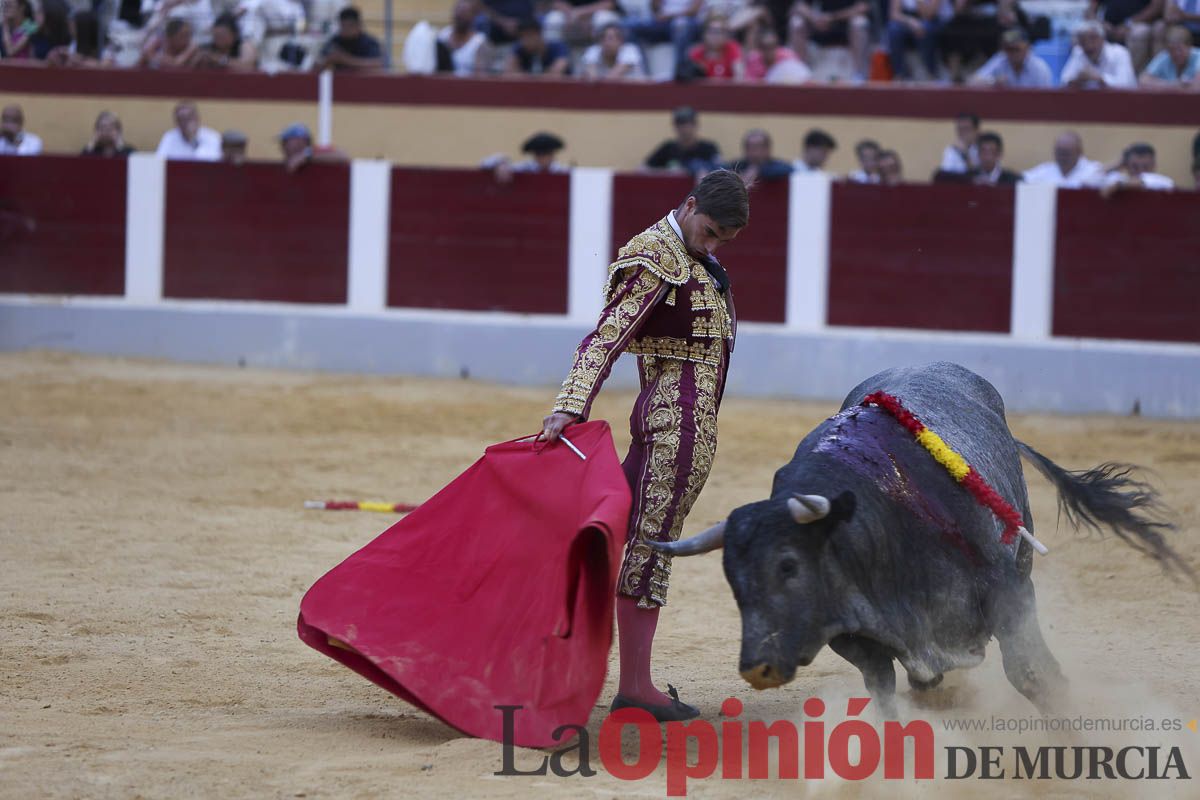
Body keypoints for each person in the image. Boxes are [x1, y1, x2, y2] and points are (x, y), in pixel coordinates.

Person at [540, 169, 749, 722]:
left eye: (722, 240)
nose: (712, 245)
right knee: (650, 545)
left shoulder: (690, 258)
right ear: (688, 205)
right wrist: (571, 402)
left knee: (619, 535)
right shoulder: (658, 257)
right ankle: (634, 685)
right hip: (674, 426)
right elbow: (607, 336)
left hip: (671, 421)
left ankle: (580, 665)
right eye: (708, 232)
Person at [789, 0, 872, 80]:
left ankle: (858, 75)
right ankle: (801, 74)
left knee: (859, 22)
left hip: (845, 26)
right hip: (819, 26)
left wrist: (833, 17)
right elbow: (799, 6)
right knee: (797, 22)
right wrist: (814, 18)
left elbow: (863, 7)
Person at [624, 0, 704, 76]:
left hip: (688, 24)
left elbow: (694, 10)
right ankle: (643, 72)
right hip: (664, 24)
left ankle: (681, 71)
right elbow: (655, 9)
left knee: (680, 24)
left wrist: (669, 16)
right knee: (630, 25)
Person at [644, 106, 722, 176]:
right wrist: (668, 172)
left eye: (688, 124)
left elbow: (721, 171)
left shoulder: (708, 148)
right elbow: (643, 169)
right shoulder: (667, 149)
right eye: (680, 124)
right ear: (675, 126)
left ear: (696, 125)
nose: (684, 129)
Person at [1086, 0, 1160, 73]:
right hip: (1107, 27)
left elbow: (1156, 7)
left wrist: (1129, 24)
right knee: (1084, 34)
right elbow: (1090, 10)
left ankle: (1130, 78)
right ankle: (1093, 76)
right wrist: (1099, 25)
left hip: (1138, 24)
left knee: (1139, 33)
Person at [1060, 18, 1137, 87]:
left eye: (1093, 39)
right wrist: (1077, 80)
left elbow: (1125, 84)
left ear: (1102, 39)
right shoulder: (1078, 52)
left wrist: (1100, 78)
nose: (1088, 45)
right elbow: (1064, 82)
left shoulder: (1120, 53)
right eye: (1083, 41)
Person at [887, 0, 952, 80]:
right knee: (893, 30)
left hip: (934, 20)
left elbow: (928, 14)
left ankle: (931, 73)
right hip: (908, 19)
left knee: (925, 29)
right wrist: (910, 21)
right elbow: (894, 14)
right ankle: (900, 75)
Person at [970, 28, 1054, 87]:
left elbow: (1046, 97)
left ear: (1027, 48)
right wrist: (993, 82)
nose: (1013, 53)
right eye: (1009, 49)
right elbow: (973, 82)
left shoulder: (1039, 67)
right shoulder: (1001, 59)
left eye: (1016, 49)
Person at [1023, 130, 1105, 187]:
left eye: (1066, 153)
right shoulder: (1044, 171)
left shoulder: (1093, 170)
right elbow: (1022, 180)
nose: (1061, 157)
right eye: (1059, 152)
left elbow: (1115, 181)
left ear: (1079, 152)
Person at [315, 6, 384, 72]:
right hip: (340, 81)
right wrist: (327, 60)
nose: (346, 30)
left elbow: (378, 65)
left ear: (358, 25)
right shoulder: (335, 42)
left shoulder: (369, 43)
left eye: (350, 26)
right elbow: (316, 66)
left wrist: (345, 59)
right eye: (343, 26)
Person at [481, 131, 570, 181]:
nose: (543, 158)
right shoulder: (524, 168)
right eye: (539, 154)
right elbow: (484, 164)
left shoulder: (563, 171)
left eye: (546, 153)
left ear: (552, 155)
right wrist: (501, 163)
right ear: (535, 155)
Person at [155, 101, 222, 161]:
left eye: (189, 117)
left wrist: (192, 139)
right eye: (181, 119)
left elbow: (218, 161)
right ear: (177, 122)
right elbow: (160, 162)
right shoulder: (169, 138)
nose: (186, 122)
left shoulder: (212, 137)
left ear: (197, 118)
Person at [580, 22, 647, 79]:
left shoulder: (630, 50)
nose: (606, 42)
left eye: (610, 38)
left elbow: (612, 78)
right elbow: (592, 76)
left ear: (621, 41)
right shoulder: (594, 50)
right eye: (603, 38)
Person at [505, 18, 571, 75]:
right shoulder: (519, 48)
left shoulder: (558, 47)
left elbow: (557, 72)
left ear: (539, 34)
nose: (525, 41)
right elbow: (508, 73)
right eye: (522, 37)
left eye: (529, 35)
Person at [1101, 142, 1175, 192]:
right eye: (1135, 166)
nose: (1140, 170)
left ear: (1153, 165)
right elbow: (1095, 176)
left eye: (1145, 167)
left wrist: (1120, 185)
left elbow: (1145, 180)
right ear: (1126, 165)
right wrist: (1118, 164)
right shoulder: (1117, 179)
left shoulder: (1164, 181)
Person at [439, 0, 487, 76]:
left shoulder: (479, 41)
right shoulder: (443, 35)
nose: (460, 16)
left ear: (473, 16)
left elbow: (480, 76)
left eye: (464, 13)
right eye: (458, 12)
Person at [742, 25, 807, 81]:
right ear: (759, 48)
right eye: (765, 47)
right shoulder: (753, 60)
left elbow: (803, 77)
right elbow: (748, 84)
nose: (769, 51)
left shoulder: (788, 58)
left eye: (772, 46)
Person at [686, 14, 743, 78]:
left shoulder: (732, 48)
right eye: (711, 31)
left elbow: (739, 75)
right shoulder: (696, 53)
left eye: (720, 32)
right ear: (704, 34)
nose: (715, 36)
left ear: (726, 35)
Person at [726, 128, 792, 182]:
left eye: (757, 147)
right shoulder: (737, 166)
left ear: (767, 148)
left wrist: (759, 171)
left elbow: (789, 170)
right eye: (749, 147)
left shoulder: (778, 165)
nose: (754, 152)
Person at [278, 122, 348, 172]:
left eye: (286, 141)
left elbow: (343, 156)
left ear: (300, 142)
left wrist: (306, 156)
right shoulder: (286, 161)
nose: (283, 146)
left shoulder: (314, 152)